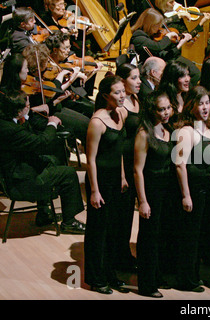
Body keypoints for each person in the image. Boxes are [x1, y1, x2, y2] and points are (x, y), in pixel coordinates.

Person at [0, 89, 86, 233]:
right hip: (21, 182)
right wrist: (51, 123)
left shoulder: (6, 121)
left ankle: (44, 213)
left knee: (51, 160)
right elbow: (42, 142)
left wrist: (28, 115)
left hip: (16, 173)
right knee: (69, 173)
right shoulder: (11, 130)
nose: (29, 107)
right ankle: (69, 222)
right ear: (19, 110)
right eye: (27, 106)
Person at [83, 75, 129, 295]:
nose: (122, 96)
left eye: (123, 91)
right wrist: (94, 191)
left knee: (112, 230)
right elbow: (90, 159)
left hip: (114, 181)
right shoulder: (97, 121)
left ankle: (110, 273)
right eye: (117, 92)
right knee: (97, 232)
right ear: (105, 96)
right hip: (99, 181)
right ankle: (95, 277)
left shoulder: (120, 114)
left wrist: (122, 176)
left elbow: (118, 150)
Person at [134, 89, 176, 298]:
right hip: (151, 188)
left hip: (167, 189)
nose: (166, 112)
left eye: (168, 107)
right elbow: (138, 170)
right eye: (162, 109)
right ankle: (146, 284)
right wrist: (142, 201)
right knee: (149, 238)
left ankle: (157, 276)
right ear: (152, 110)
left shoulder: (168, 130)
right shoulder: (144, 133)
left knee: (162, 236)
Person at [173, 85, 210, 292]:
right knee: (188, 237)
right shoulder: (187, 131)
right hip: (192, 189)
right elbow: (180, 164)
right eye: (201, 103)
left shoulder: (207, 128)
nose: (205, 107)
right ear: (191, 105)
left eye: (207, 102)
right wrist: (186, 195)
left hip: (205, 187)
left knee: (198, 236)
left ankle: (194, 275)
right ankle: (185, 279)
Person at [114, 63, 142, 272]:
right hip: (125, 164)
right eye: (134, 78)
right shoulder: (121, 108)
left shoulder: (136, 100)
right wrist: (122, 174)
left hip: (137, 164)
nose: (139, 81)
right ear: (122, 81)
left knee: (131, 215)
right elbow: (119, 143)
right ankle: (120, 257)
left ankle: (126, 255)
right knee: (122, 216)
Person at [129, 7, 200, 86]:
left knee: (195, 72)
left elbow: (163, 53)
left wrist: (180, 43)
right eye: (157, 25)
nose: (159, 28)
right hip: (153, 68)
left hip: (164, 59)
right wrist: (168, 36)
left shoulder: (150, 34)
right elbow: (158, 47)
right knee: (188, 74)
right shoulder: (138, 37)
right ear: (149, 24)